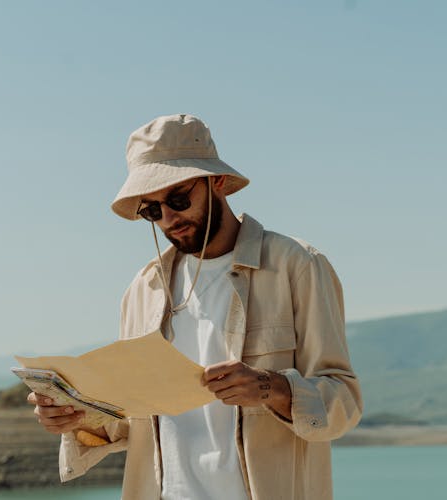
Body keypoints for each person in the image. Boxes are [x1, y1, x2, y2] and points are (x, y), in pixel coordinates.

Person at [28, 114, 362, 500]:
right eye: (151, 210)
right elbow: (132, 418)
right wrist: (76, 418)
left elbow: (344, 401)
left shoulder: (296, 265)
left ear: (217, 182)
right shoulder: (143, 289)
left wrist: (270, 387)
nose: (169, 219)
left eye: (178, 198)